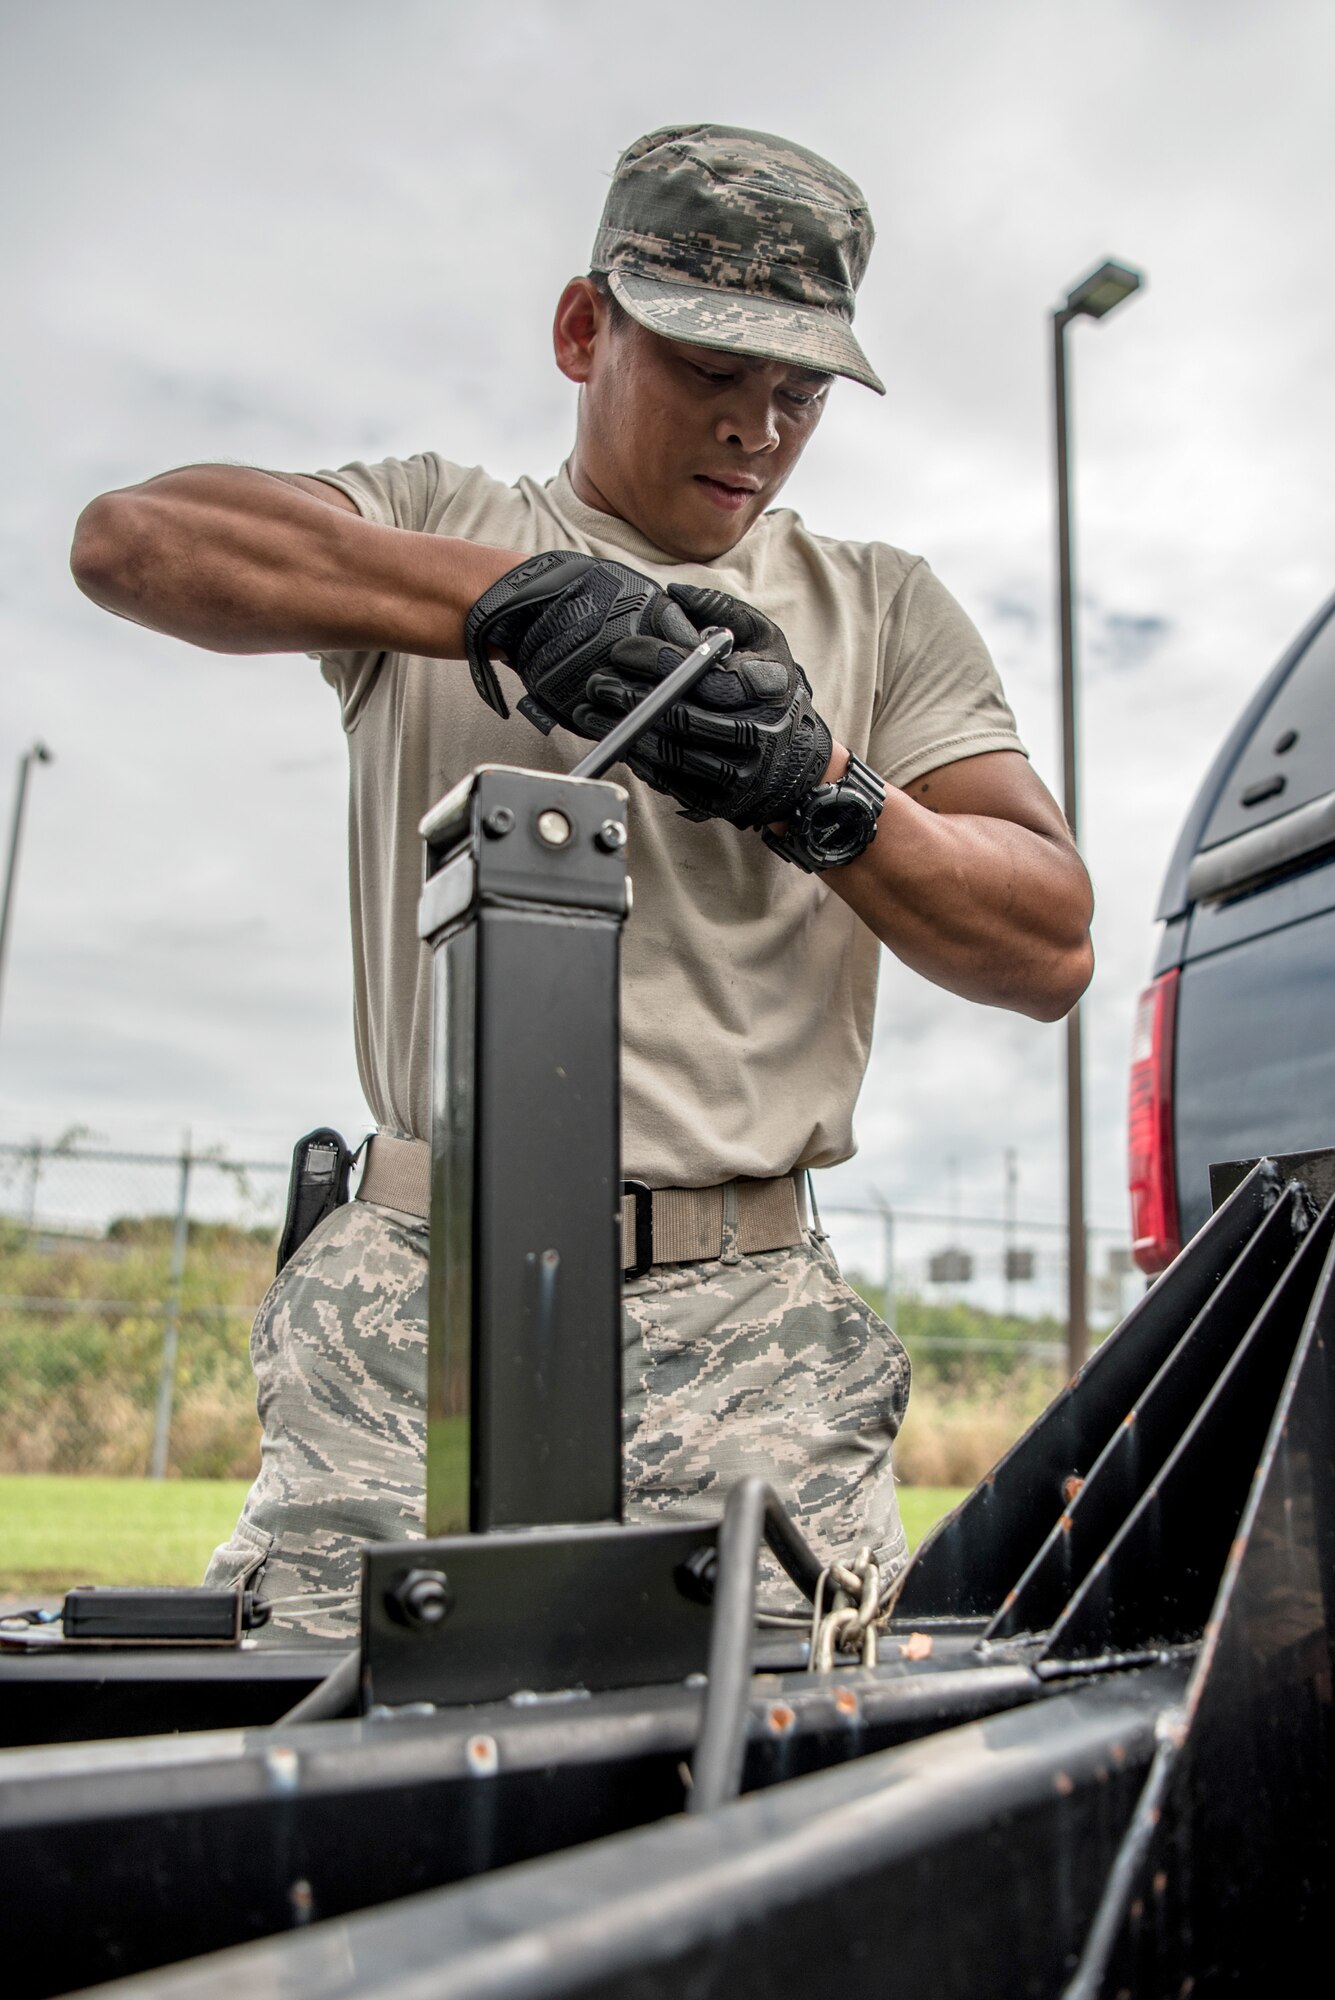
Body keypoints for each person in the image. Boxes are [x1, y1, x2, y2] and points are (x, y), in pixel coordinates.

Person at [71, 123, 1093, 1638]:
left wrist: (819, 796)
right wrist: (511, 603)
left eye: (798, 392)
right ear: (583, 328)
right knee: (317, 1744)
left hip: (744, 1324)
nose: (757, 427)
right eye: (708, 367)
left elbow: (1050, 942)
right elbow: (134, 541)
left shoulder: (879, 607)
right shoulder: (441, 517)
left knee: (786, 1775)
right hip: (422, 1306)